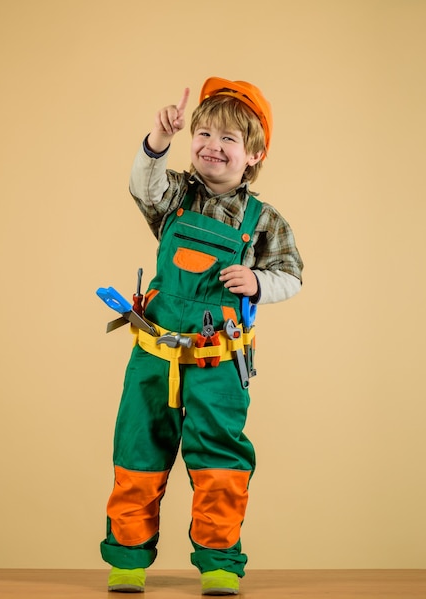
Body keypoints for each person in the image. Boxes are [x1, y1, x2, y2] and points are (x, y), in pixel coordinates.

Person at [100, 77, 303, 595]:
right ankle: (126, 558)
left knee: (218, 457)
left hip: (219, 366)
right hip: (155, 356)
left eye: (229, 139)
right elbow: (141, 184)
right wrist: (156, 141)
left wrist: (259, 282)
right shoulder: (175, 197)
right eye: (204, 133)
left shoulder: (264, 222)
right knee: (138, 447)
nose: (213, 145)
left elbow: (292, 276)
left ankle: (218, 562)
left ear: (254, 155)